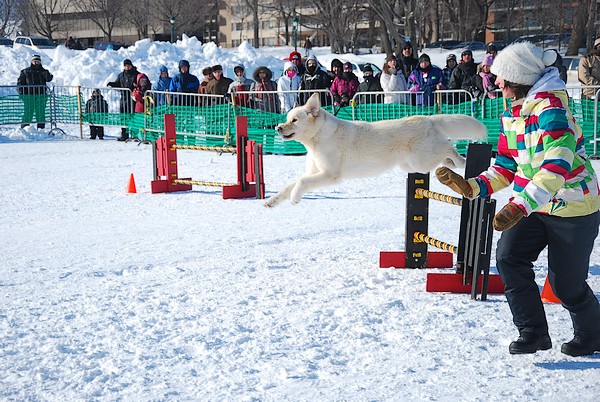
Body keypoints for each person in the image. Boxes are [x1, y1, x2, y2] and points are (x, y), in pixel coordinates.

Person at [436, 42, 600, 357]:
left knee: (567, 286)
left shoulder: (552, 111)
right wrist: (473, 187)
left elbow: (556, 165)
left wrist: (519, 205)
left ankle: (592, 335)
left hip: (573, 207)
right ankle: (534, 332)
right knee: (509, 257)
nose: (496, 83)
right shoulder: (512, 113)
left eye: (502, 78)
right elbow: (507, 166)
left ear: (518, 78)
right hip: (531, 204)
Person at [17, 54, 53, 129]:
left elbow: (49, 78)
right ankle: (25, 129)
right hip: (29, 97)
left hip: (41, 96)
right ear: (32, 62)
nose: (36, 63)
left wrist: (43, 71)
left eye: (38, 61)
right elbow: (20, 83)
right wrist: (22, 93)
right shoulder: (25, 71)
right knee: (28, 113)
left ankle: (41, 130)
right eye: (35, 61)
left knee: (40, 113)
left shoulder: (43, 71)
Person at [107, 58, 138, 140]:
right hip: (124, 99)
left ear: (131, 65)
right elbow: (118, 84)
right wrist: (112, 84)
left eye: (128, 65)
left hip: (133, 99)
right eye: (125, 66)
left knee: (133, 117)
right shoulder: (121, 75)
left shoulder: (136, 74)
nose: (127, 67)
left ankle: (135, 135)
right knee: (123, 117)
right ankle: (124, 135)